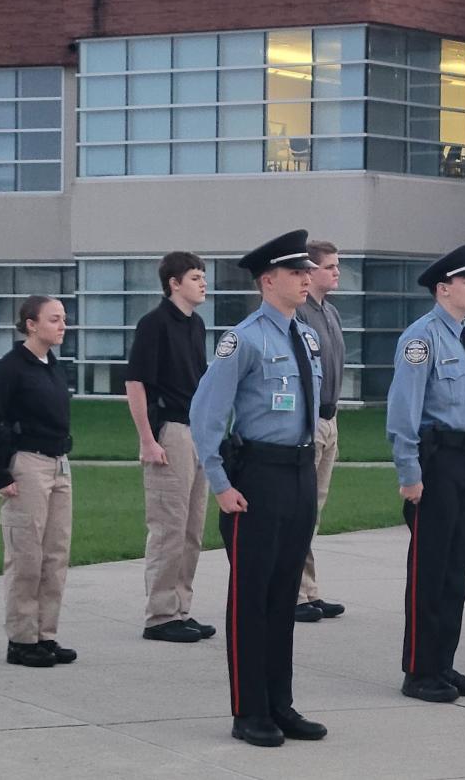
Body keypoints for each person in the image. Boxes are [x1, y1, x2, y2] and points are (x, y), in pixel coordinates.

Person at [190, 229, 328, 748]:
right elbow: (206, 414)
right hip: (256, 478)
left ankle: (279, 703)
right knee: (252, 598)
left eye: (306, 271)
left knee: (283, 595)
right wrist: (220, 484)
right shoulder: (243, 338)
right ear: (269, 280)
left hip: (297, 472)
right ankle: (250, 711)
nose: (306, 278)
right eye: (296, 272)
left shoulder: (305, 335)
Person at [386, 244, 465, 704]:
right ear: (444, 289)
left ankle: (443, 661)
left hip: (464, 459)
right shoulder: (420, 339)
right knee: (429, 569)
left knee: (455, 568)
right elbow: (402, 415)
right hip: (435, 460)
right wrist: (410, 473)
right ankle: (419, 669)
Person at [0, 295, 77, 669]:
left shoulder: (52, 365)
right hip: (28, 465)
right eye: (54, 319)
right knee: (26, 556)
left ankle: (44, 635)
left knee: (55, 555)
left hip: (59, 463)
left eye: (63, 319)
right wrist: (0, 473)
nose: (62, 325)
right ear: (31, 324)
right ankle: (21, 640)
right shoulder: (11, 368)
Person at [125, 251, 217, 644]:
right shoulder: (154, 324)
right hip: (170, 434)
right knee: (168, 527)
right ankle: (160, 616)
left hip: (197, 432)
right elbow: (135, 383)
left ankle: (181, 608)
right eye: (195, 277)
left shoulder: (196, 325)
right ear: (174, 283)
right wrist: (147, 439)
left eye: (203, 277)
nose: (203, 283)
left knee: (192, 528)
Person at [292, 240, 346, 623]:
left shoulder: (331, 313)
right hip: (308, 422)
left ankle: (309, 590)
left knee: (314, 511)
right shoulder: (300, 315)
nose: (336, 272)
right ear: (310, 272)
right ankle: (294, 593)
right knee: (299, 510)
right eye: (330, 266)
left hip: (331, 419)